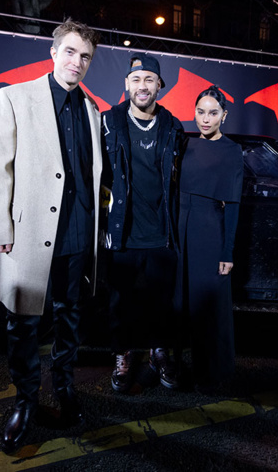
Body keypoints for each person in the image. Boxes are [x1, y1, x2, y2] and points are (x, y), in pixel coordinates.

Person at [0, 19, 103, 453]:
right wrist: (1, 226)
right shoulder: (14, 97)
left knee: (69, 316)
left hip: (76, 229)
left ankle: (65, 388)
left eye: (85, 56)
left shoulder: (92, 110)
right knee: (23, 321)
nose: (77, 62)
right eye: (71, 52)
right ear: (53, 52)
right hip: (29, 231)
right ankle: (25, 401)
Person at [101, 52, 184, 393]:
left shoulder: (172, 126)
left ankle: (158, 353)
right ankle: (123, 356)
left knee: (160, 304)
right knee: (121, 303)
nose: (142, 86)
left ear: (160, 86)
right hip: (121, 233)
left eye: (149, 79)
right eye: (136, 79)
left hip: (161, 233)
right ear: (126, 85)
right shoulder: (109, 121)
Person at [177, 85, 243, 392]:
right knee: (179, 303)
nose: (205, 119)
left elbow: (232, 205)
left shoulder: (231, 150)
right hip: (179, 226)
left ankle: (214, 374)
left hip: (209, 230)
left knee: (209, 306)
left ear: (224, 116)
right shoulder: (184, 144)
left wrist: (227, 251)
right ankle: (174, 368)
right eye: (200, 112)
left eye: (213, 113)